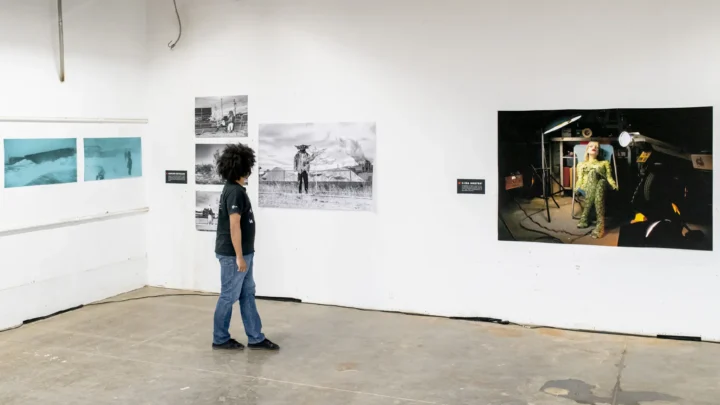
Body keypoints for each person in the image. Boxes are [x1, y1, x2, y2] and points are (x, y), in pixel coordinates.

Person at [212, 143, 279, 351]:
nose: (250, 171)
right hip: (234, 256)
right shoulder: (235, 193)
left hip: (244, 254)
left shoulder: (235, 190)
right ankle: (220, 338)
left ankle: (256, 337)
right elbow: (234, 226)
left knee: (247, 293)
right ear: (242, 168)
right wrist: (240, 256)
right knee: (228, 296)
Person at [575, 141, 618, 238]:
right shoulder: (581, 164)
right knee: (596, 180)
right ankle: (600, 224)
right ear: (587, 150)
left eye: (596, 147)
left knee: (597, 177)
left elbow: (609, 177)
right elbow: (580, 179)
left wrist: (613, 185)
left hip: (603, 183)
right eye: (591, 146)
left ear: (598, 152)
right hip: (587, 186)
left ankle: (585, 216)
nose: (593, 148)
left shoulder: (604, 163)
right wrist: (577, 187)